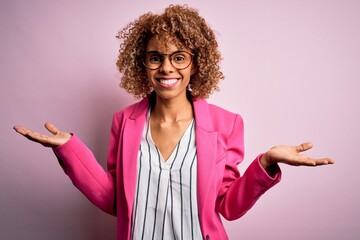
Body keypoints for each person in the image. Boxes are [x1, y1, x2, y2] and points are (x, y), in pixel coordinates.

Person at [13, 4, 334, 240]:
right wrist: (70, 149)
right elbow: (115, 201)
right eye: (156, 57)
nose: (167, 68)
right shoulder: (123, 122)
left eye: (178, 57)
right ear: (143, 63)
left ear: (196, 63)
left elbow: (229, 207)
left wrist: (266, 162)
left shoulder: (227, 124)